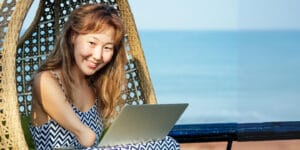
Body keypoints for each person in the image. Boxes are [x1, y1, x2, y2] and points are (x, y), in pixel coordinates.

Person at [30, 3, 180, 149]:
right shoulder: (45, 80)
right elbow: (86, 137)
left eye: (107, 48)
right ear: (73, 36)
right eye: (92, 43)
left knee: (166, 141)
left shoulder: (96, 87)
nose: (98, 55)